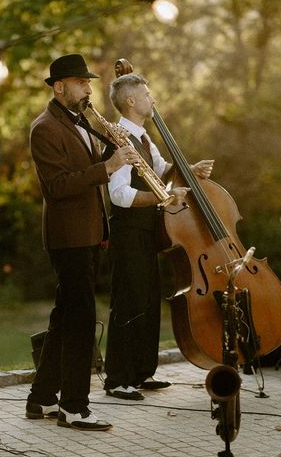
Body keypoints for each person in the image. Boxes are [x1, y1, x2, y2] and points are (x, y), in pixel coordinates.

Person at [25, 54, 138, 431]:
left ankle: (40, 398)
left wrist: (112, 152)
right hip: (68, 238)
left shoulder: (77, 121)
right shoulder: (44, 128)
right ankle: (74, 407)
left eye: (88, 82)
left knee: (64, 318)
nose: (89, 88)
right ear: (59, 87)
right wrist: (107, 167)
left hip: (89, 234)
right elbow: (57, 187)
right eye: (81, 82)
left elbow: (85, 172)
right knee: (81, 321)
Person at [102, 73, 214, 400]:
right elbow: (119, 194)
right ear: (131, 101)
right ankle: (118, 379)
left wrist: (190, 169)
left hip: (149, 231)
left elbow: (161, 168)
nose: (153, 99)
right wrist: (163, 199)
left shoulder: (143, 138)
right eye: (147, 94)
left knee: (148, 301)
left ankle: (140, 372)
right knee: (129, 302)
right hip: (129, 232)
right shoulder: (120, 138)